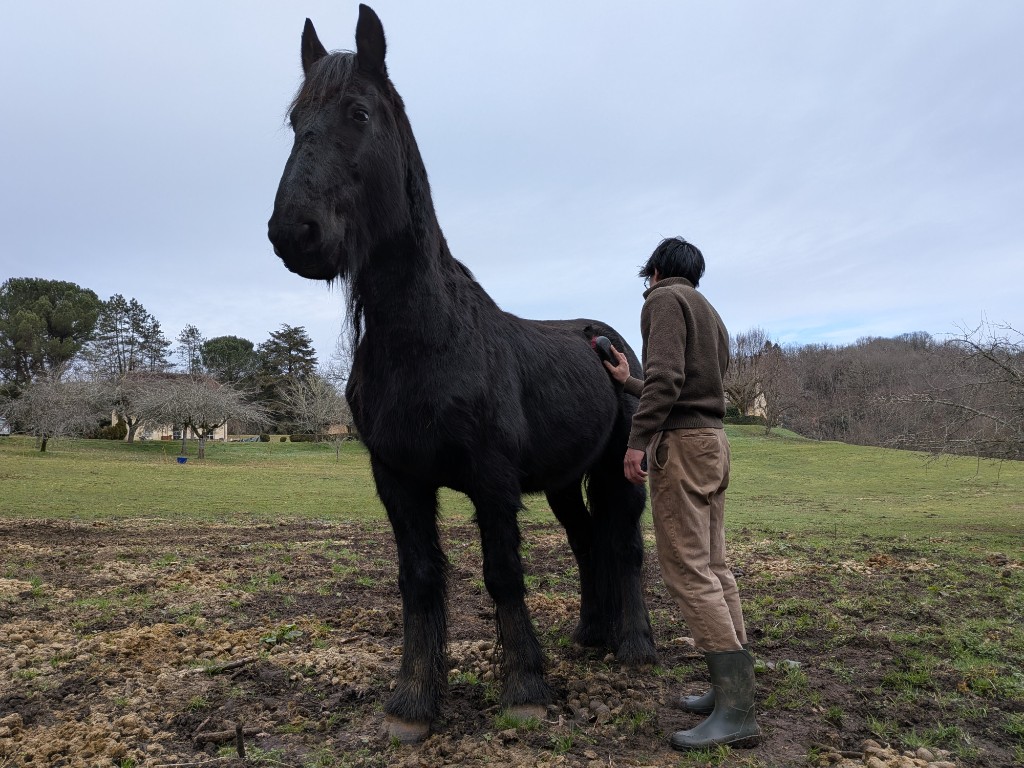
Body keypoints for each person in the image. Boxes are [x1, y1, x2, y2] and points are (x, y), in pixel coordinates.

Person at [604, 237, 760, 750]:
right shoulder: (707, 310)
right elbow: (690, 384)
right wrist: (630, 380)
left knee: (687, 570)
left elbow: (669, 379)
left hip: (683, 448)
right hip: (714, 442)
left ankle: (736, 712)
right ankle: (733, 689)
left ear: (654, 271)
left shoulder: (663, 300)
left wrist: (637, 441)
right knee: (714, 565)